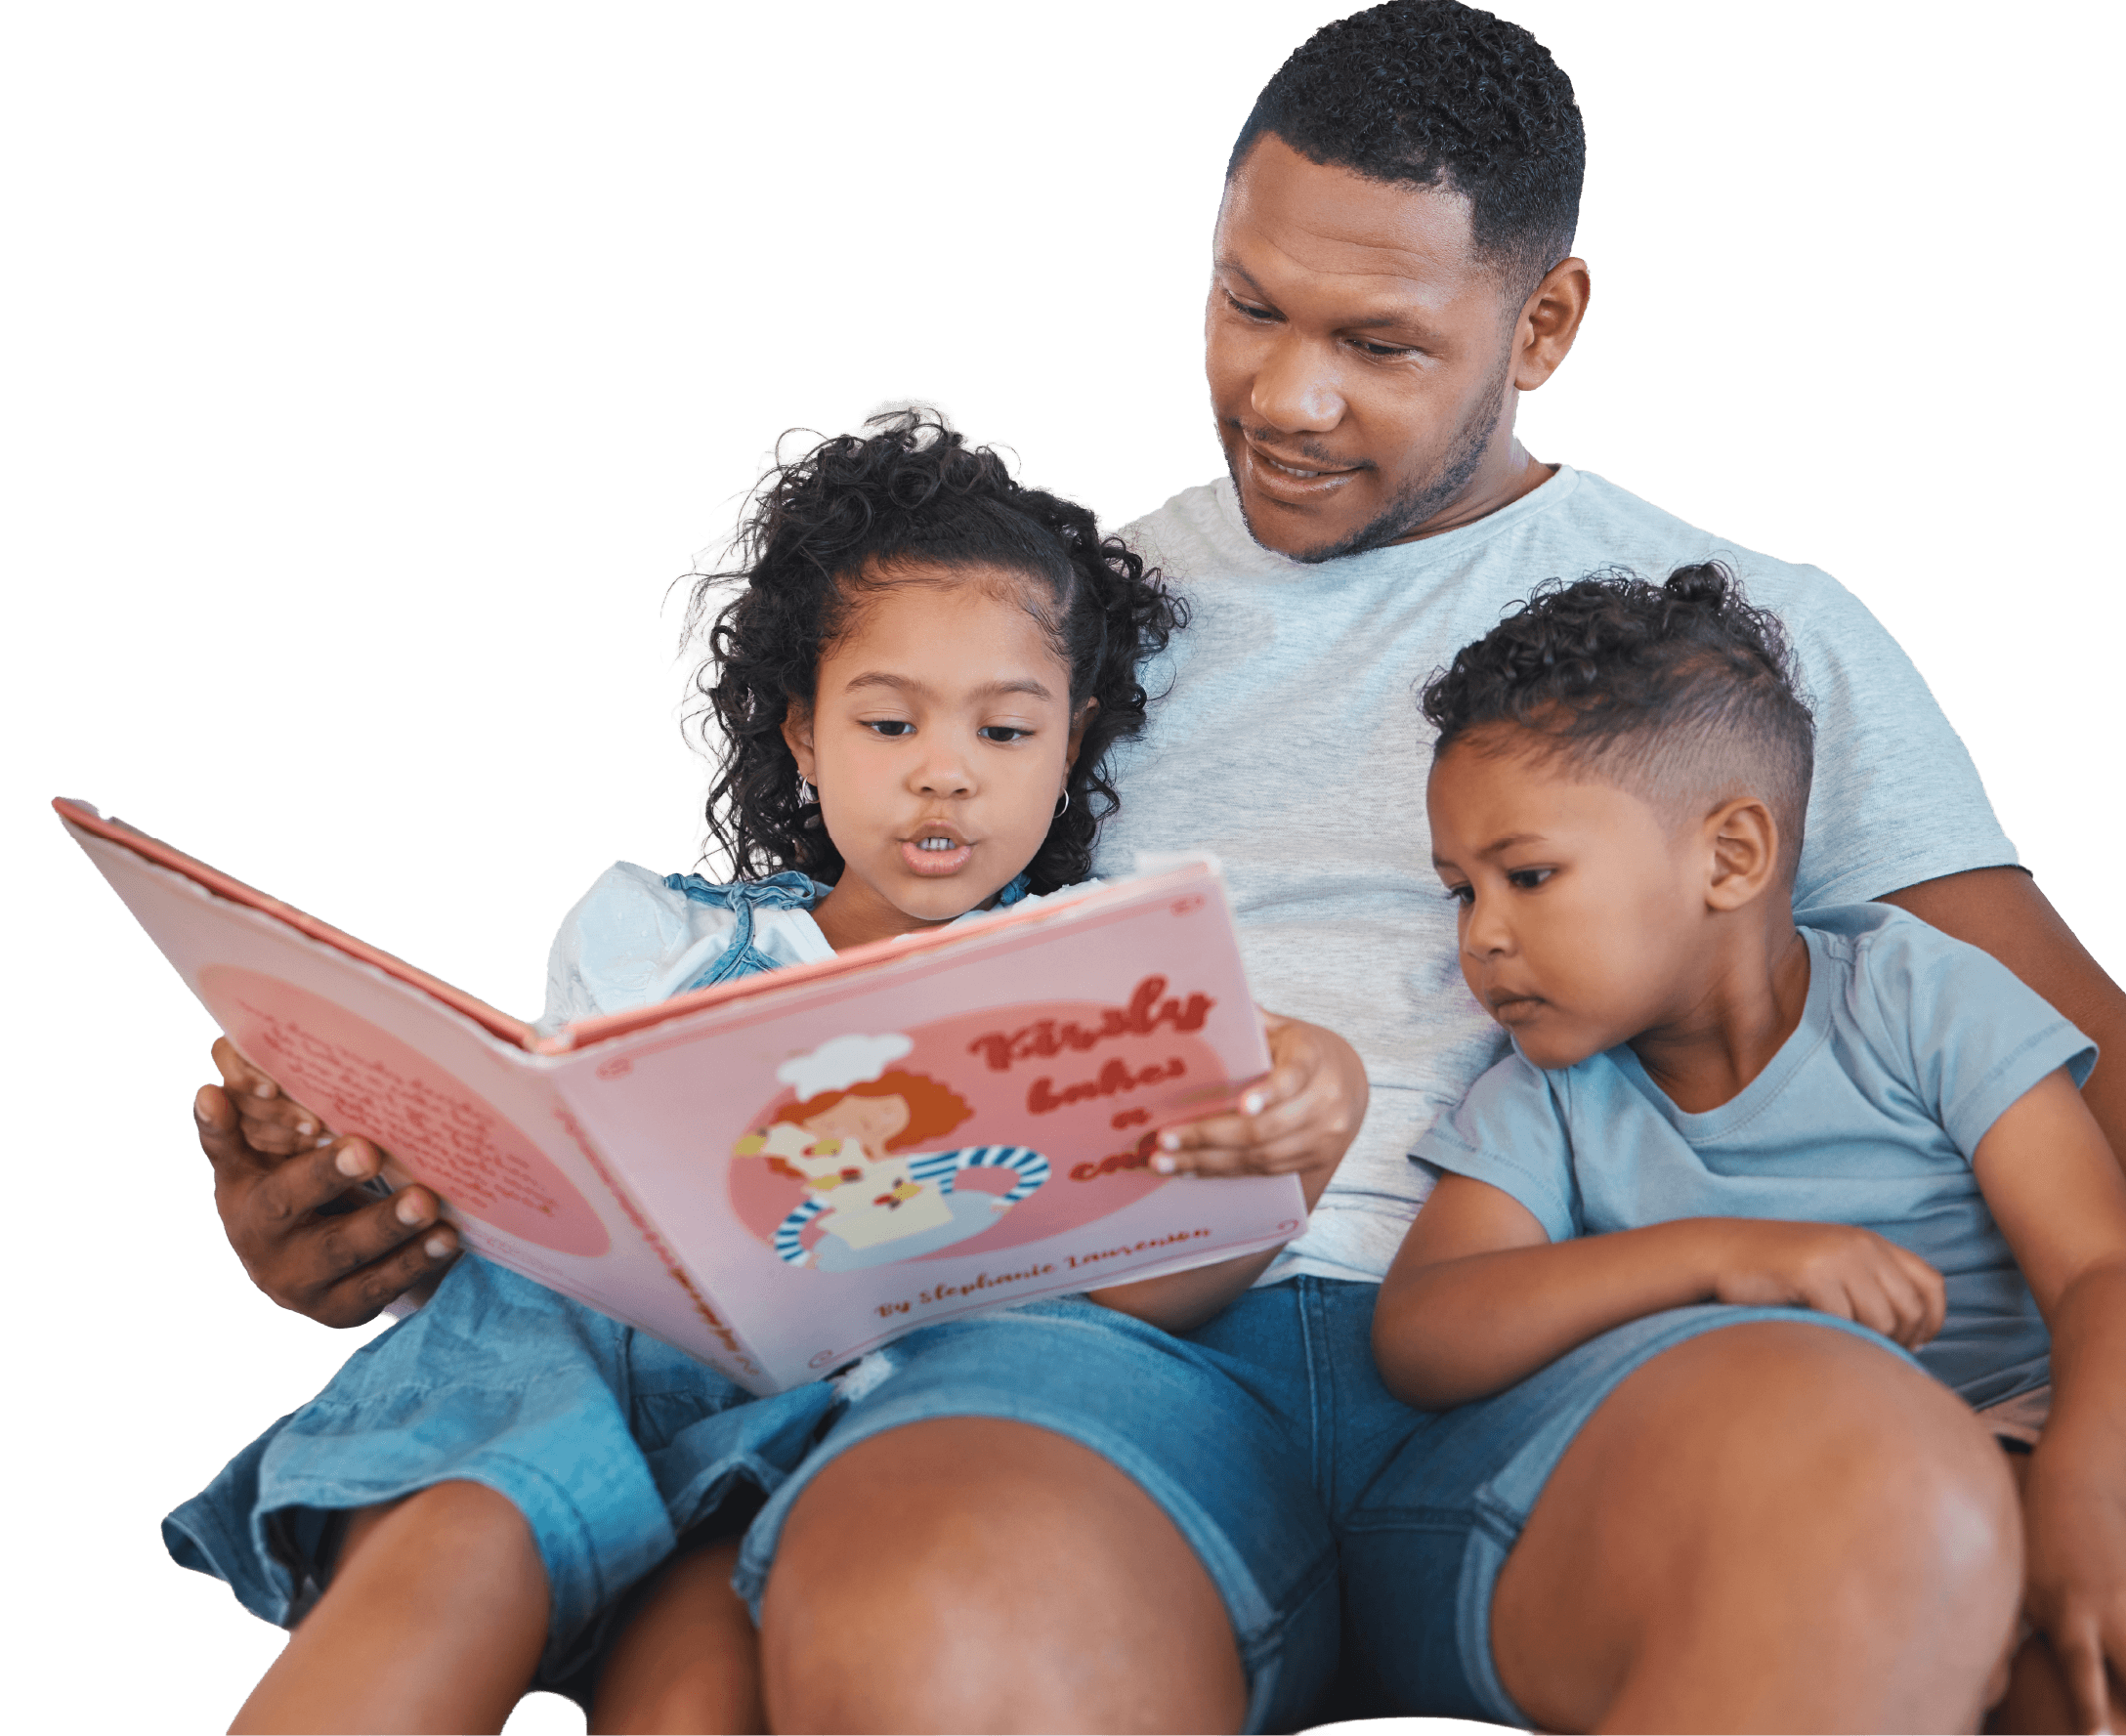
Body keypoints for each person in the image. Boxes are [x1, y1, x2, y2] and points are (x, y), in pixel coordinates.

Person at [194, 0, 2126, 1732]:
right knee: (928, 1580)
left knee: (1881, 1496)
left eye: (1383, 342)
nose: (1288, 398)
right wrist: (423, 1215)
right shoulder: (1046, 631)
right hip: (1109, 1337)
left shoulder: (1744, 633)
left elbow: (2077, 1051)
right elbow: (787, 1034)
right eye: (1249, 306)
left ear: (1543, 319)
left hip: (1574, 1327)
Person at [177, 401, 1368, 1735]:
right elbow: (541, 1196)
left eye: (1005, 732)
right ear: (802, 734)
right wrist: (378, 1141)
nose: (946, 780)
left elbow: (1134, 1291)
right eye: (889, 724)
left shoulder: (1091, 1006)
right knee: (453, 1553)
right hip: (560, 1367)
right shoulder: (660, 937)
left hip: (798, 1436)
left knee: (691, 1687)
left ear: (1073, 741)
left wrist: (1304, 1143)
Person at [1374, 563, 2126, 1733]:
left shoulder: (1915, 993)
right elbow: (1423, 1332)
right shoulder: (1546, 1092)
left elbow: (2106, 1274)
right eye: (1458, 891)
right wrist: (1720, 1254)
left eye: (1528, 876)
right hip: (1790, 1510)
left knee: (2100, 1686)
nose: (1482, 940)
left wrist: (2080, 1499)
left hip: (2042, 1442)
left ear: (1731, 857)